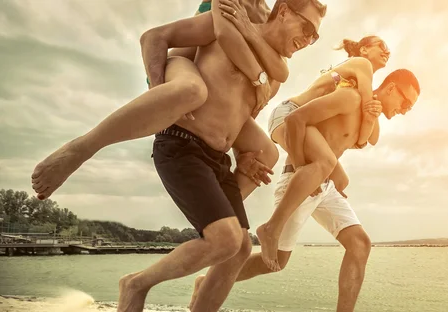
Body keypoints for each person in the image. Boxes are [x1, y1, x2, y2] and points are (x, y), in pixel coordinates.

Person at [114, 0, 327, 312]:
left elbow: (242, 101)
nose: (308, 38)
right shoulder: (227, 8)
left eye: (315, 35)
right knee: (227, 239)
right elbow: (172, 43)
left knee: (239, 247)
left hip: (215, 150)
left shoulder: (264, 30)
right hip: (181, 133)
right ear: (287, 12)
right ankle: (137, 283)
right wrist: (158, 92)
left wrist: (241, 146)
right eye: (306, 27)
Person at [190, 68, 421, 312]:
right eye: (405, 102)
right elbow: (296, 120)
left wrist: (339, 175)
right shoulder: (349, 97)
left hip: (326, 185)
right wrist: (302, 167)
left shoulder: (368, 113)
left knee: (360, 243)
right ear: (392, 88)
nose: (405, 110)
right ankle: (207, 282)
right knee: (276, 262)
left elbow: (367, 138)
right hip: (301, 180)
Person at [30, 0, 290, 201]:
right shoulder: (233, 4)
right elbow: (209, 37)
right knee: (191, 90)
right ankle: (82, 148)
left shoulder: (269, 18)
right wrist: (158, 90)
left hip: (214, 94)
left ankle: (225, 214)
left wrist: (240, 152)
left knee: (266, 152)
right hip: (180, 68)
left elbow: (240, 99)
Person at [256, 35, 392, 269]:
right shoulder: (363, 65)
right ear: (364, 48)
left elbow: (367, 135)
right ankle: (271, 228)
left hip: (302, 123)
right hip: (289, 114)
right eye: (383, 46)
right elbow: (365, 134)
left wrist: (371, 115)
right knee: (325, 163)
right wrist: (301, 167)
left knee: (340, 179)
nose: (387, 52)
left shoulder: (355, 79)